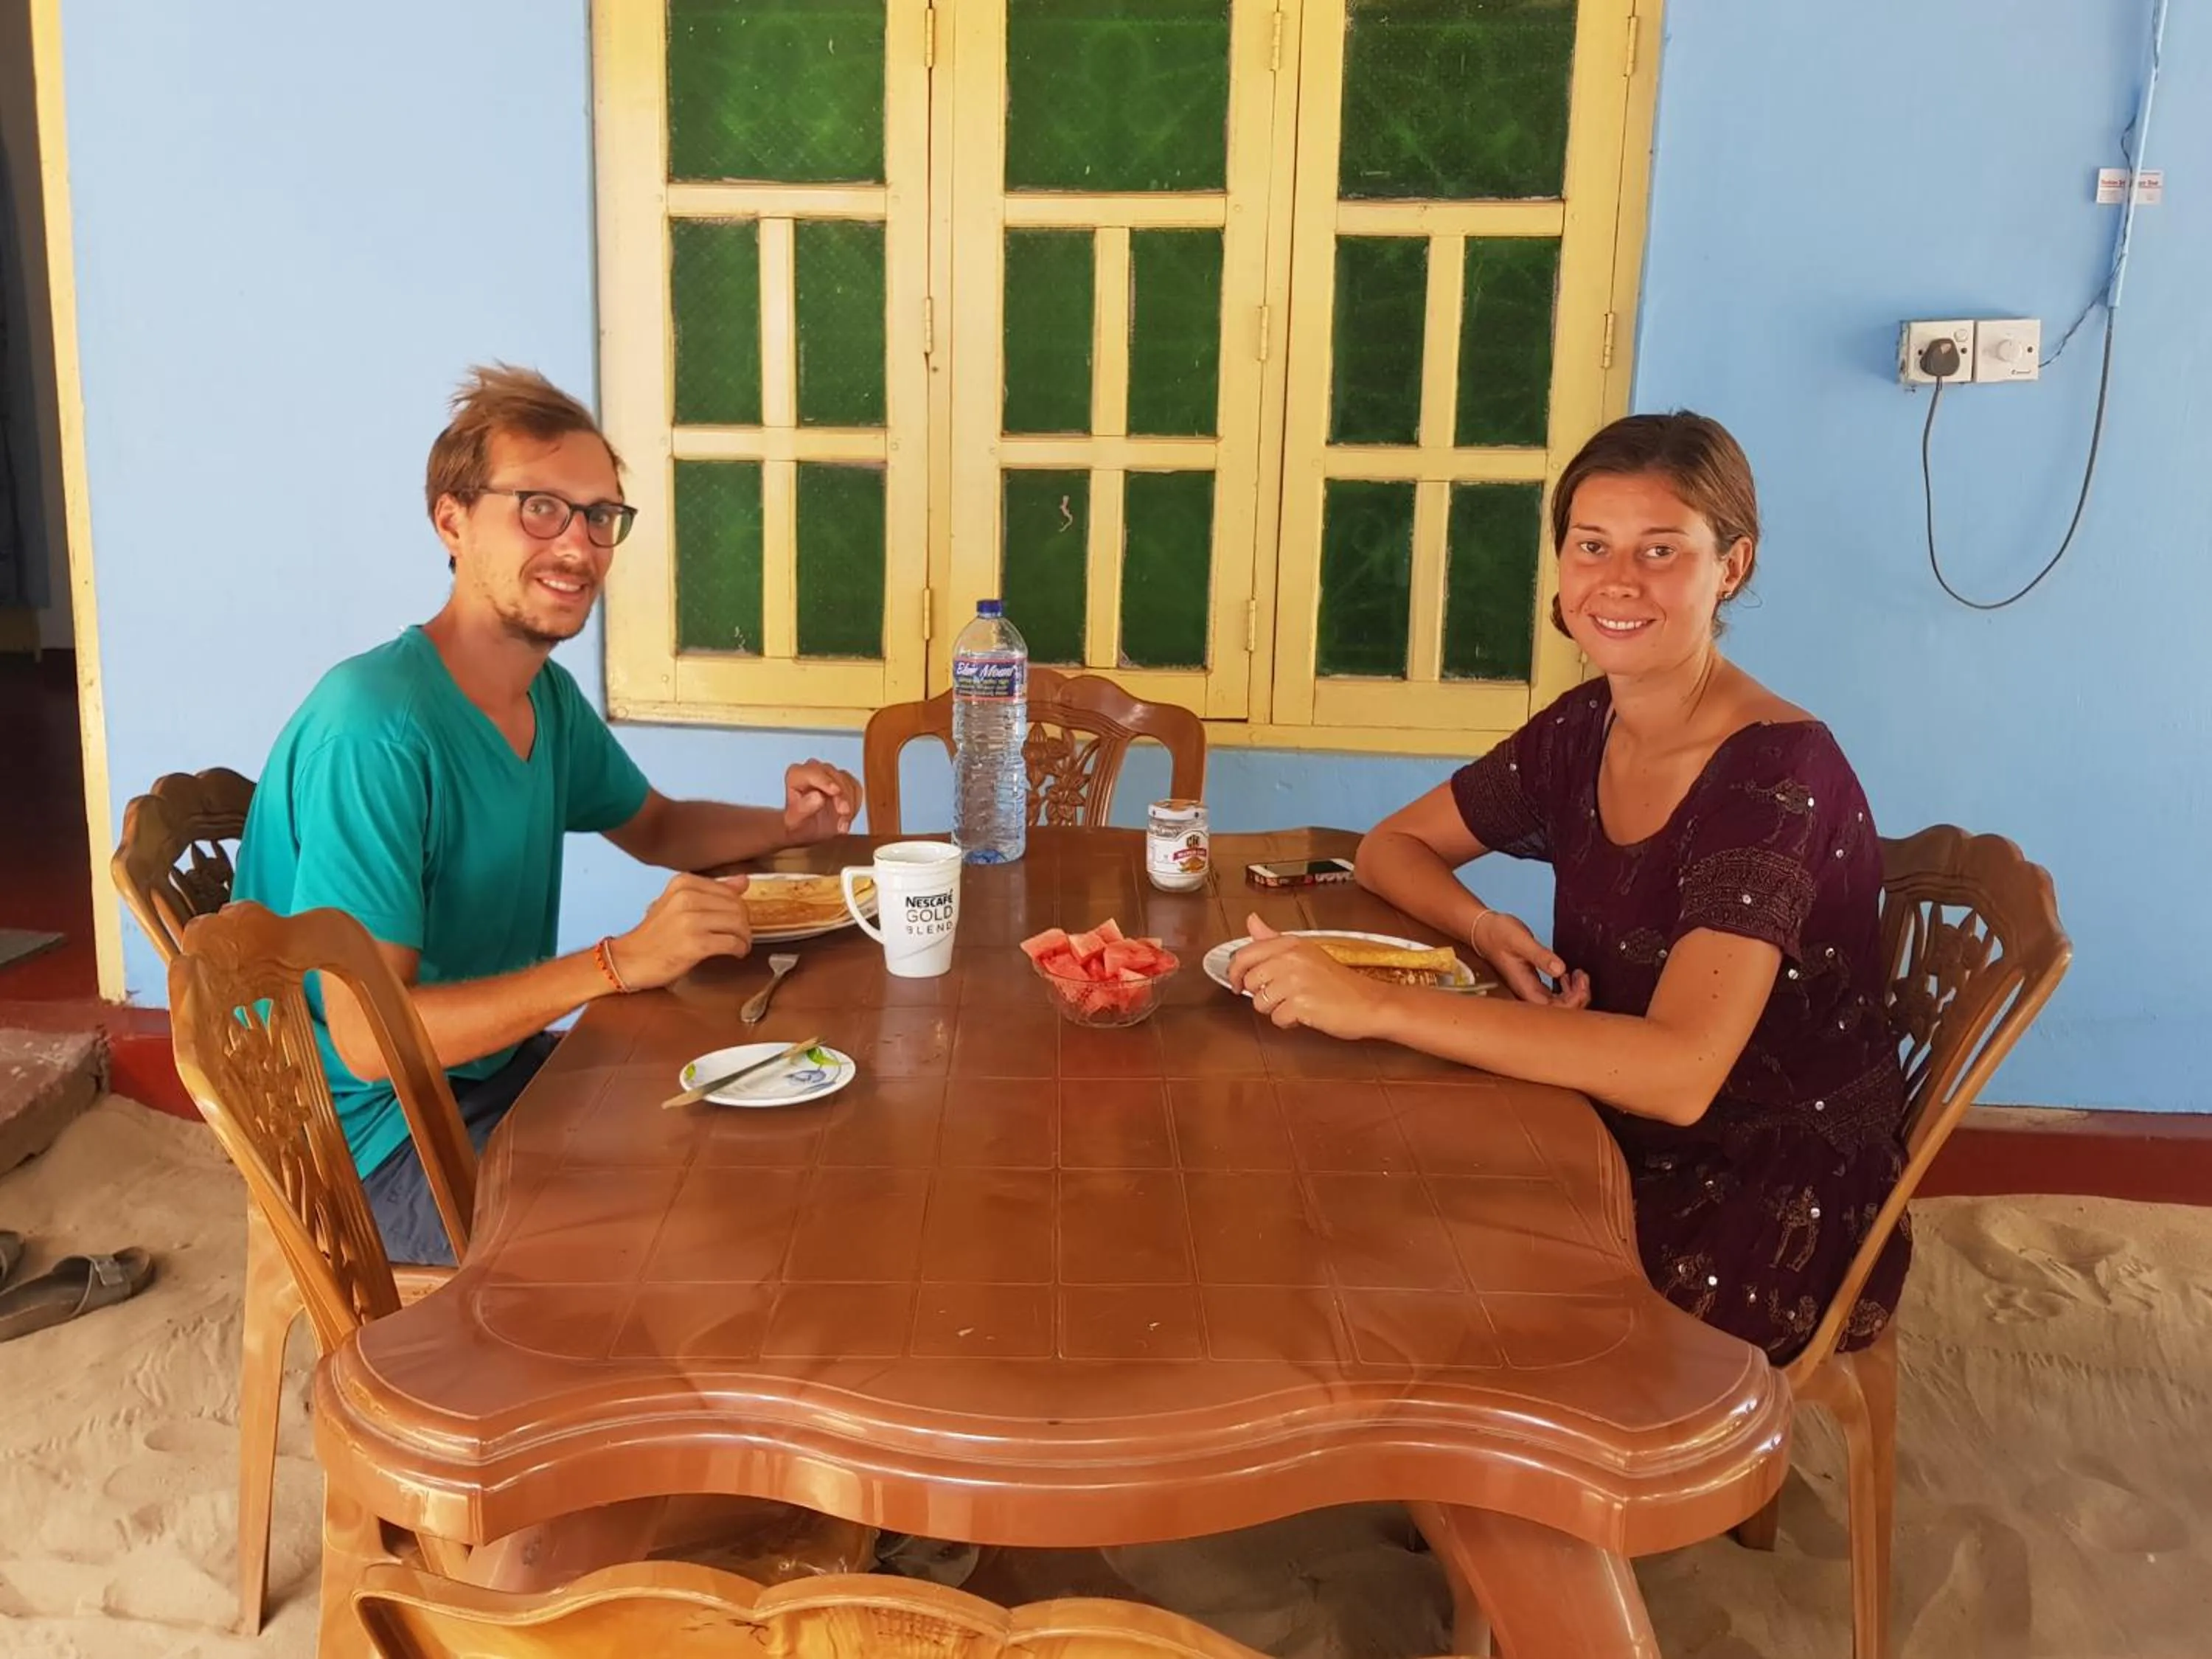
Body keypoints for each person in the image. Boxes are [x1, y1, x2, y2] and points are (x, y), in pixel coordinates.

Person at [1230, 412, 1910, 1363]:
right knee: (1332, 1172)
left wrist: (1373, 1003)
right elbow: (1391, 848)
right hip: (1590, 1108)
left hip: (1755, 1184)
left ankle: (1509, 1492)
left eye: (1661, 549)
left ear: (1734, 567)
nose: (1618, 581)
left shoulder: (1775, 777)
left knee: (1398, 1239)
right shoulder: (1588, 725)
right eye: (1592, 546)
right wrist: (1486, 924)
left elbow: (1678, 1077)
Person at [234, 365, 861, 1266]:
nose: (578, 545)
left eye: (600, 516)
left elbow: (655, 826)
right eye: (540, 507)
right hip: (372, 1145)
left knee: (764, 1131)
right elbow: (371, 1043)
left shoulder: (545, 699)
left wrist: (788, 826)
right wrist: (619, 964)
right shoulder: (375, 728)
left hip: (491, 1075)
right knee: (696, 1239)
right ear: (451, 520)